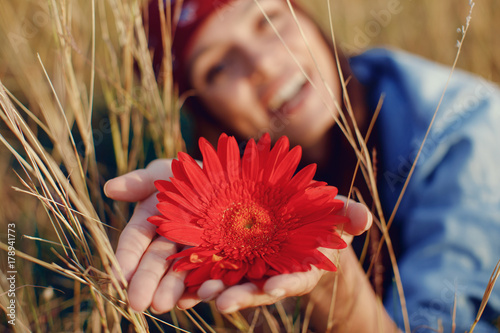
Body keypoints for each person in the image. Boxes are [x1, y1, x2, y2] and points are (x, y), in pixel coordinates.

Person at [104, 0, 500, 331]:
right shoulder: (239, 179)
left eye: (267, 20)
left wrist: (337, 292)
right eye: (218, 67)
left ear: (308, 17)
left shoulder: (466, 135)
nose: (261, 62)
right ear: (203, 112)